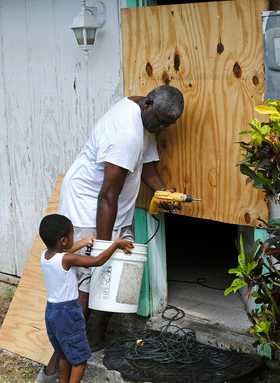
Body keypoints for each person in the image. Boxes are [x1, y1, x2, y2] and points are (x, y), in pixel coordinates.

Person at [36, 85, 184, 382]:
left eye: (168, 125)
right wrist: (103, 247)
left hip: (113, 207)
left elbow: (148, 166)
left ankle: (94, 338)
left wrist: (162, 191)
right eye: (161, 122)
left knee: (118, 271)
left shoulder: (144, 118)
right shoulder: (126, 133)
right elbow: (107, 196)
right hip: (88, 206)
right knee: (86, 281)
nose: (162, 128)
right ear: (149, 104)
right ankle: (55, 365)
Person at [39, 214, 133, 383]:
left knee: (64, 354)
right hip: (68, 313)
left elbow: (66, 252)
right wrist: (116, 244)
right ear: (63, 240)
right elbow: (97, 261)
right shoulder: (66, 259)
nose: (73, 237)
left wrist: (83, 242)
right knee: (80, 359)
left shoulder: (45, 255)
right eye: (72, 235)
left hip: (51, 312)